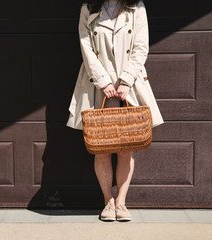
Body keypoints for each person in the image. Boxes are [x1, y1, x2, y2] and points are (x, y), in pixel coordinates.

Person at [66, 0, 164, 221]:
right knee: (101, 148)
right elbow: (86, 48)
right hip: (98, 87)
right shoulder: (88, 8)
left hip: (128, 87)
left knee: (126, 148)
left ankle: (121, 202)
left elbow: (141, 46)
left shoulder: (136, 7)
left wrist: (126, 81)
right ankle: (107, 201)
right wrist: (103, 81)